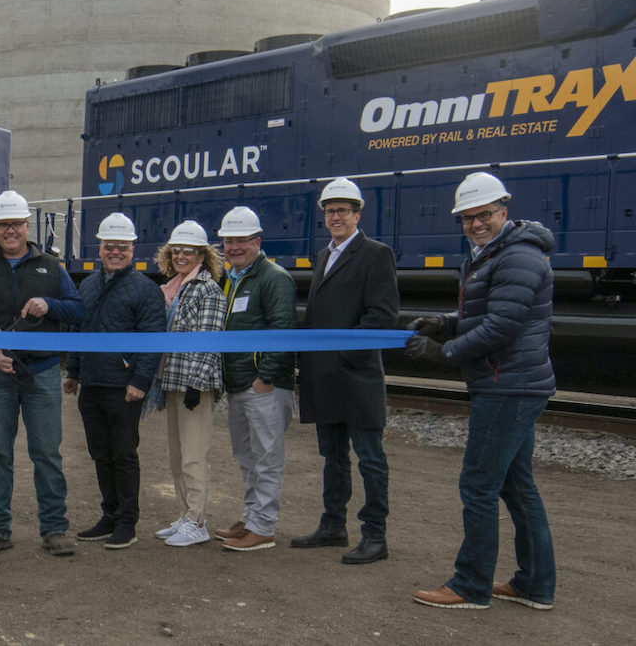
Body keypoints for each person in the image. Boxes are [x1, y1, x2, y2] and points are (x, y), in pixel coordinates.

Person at [408, 172, 557, 610]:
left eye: (484, 215)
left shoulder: (518, 258)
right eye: (468, 217)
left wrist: (442, 351)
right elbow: (488, 314)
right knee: (517, 487)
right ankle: (534, 584)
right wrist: (444, 323)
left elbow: (501, 327)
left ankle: (471, 586)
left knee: (478, 485)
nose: (476, 224)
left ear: (503, 212)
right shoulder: (491, 255)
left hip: (506, 385)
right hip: (510, 382)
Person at [0, 190, 84, 558]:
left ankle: (55, 529)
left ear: (27, 226)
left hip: (42, 373)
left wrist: (50, 304)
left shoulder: (52, 267)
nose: (10, 230)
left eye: (16, 224)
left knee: (47, 452)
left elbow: (78, 310)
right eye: (3, 224)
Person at [293, 177, 399, 564]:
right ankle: (333, 525)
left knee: (370, 458)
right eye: (330, 211)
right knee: (333, 456)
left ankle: (375, 535)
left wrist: (340, 357)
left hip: (355, 375)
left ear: (358, 214)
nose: (335, 216)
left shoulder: (376, 254)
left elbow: (382, 316)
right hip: (325, 377)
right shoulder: (324, 256)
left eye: (342, 210)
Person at [64, 213, 165, 550]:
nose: (116, 252)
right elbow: (79, 330)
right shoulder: (88, 285)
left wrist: (140, 381)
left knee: (123, 454)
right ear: (101, 248)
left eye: (122, 247)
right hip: (91, 385)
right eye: (110, 246)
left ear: (132, 249)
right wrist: (74, 372)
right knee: (99, 453)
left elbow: (153, 342)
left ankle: (127, 522)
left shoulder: (146, 290)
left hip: (124, 389)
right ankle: (109, 515)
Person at [213, 206, 297, 552]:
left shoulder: (273, 278)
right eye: (228, 241)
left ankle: (263, 527)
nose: (233, 247)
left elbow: (283, 330)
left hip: (263, 386)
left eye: (241, 240)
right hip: (239, 384)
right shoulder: (231, 279)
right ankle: (251, 518)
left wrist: (266, 377)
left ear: (257, 242)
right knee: (247, 456)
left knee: (267, 457)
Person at [148, 220, 227, 548]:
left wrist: (196, 383)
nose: (180, 255)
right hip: (173, 381)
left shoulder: (206, 289)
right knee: (178, 455)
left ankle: (197, 521)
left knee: (194, 456)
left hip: (195, 385)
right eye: (176, 250)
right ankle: (185, 514)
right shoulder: (175, 286)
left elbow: (209, 340)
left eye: (188, 251)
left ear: (202, 255)